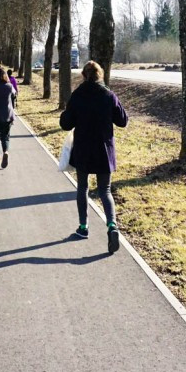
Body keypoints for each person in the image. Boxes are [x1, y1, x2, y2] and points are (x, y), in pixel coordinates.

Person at [59, 60, 128, 254]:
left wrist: (67, 112)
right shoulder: (108, 95)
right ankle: (112, 225)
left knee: (82, 187)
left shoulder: (77, 95)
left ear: (84, 75)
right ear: (100, 75)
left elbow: (65, 124)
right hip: (104, 150)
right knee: (105, 190)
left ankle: (83, 227)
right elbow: (123, 121)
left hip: (83, 149)